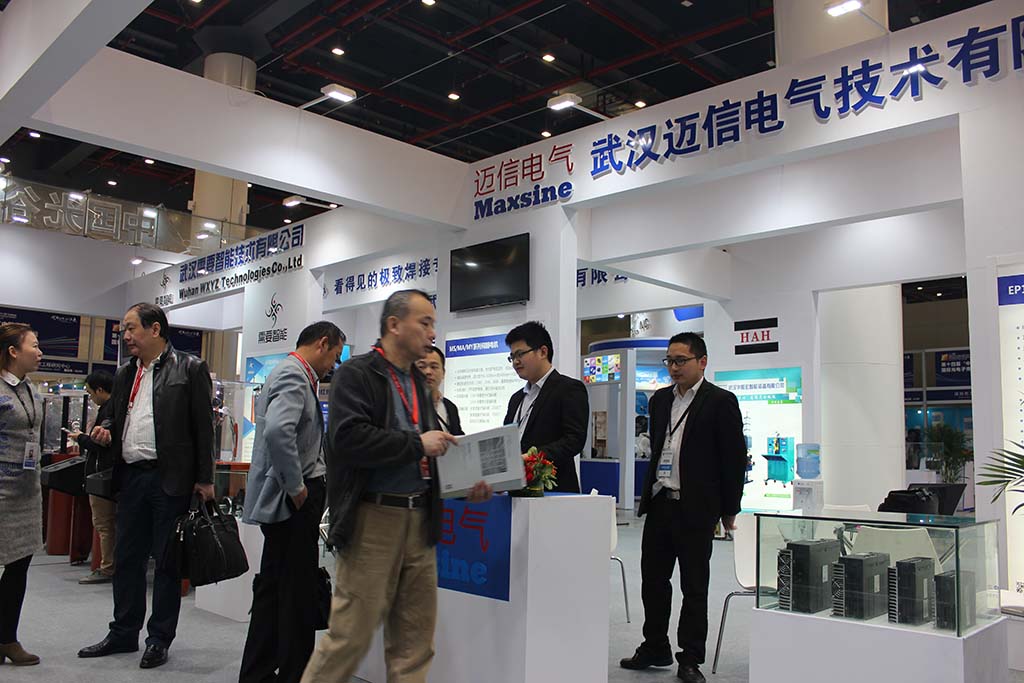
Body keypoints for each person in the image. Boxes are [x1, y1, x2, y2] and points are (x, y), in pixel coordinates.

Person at [301, 289, 492, 683]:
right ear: (394, 324)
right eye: (425, 323)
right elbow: (348, 439)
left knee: (415, 644)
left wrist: (463, 483)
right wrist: (417, 443)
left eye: (433, 324)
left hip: (420, 521)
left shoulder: (418, 381)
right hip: (373, 519)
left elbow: (430, 453)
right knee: (349, 638)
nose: (432, 333)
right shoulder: (358, 373)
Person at [78, 303, 215, 670]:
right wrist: (106, 428)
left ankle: (159, 639)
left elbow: (204, 428)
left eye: (131, 328)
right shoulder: (126, 372)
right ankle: (123, 632)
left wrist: (205, 479)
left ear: (155, 330)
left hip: (170, 480)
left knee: (167, 563)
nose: (125, 336)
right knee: (127, 559)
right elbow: (114, 415)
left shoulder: (190, 368)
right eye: (124, 329)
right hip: (131, 478)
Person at [620, 332, 746, 683]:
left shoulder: (720, 401)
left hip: (696, 508)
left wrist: (729, 508)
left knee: (694, 586)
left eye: (681, 361)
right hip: (661, 503)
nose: (674, 368)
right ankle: (654, 646)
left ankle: (690, 657)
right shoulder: (661, 400)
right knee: (653, 581)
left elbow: (733, 459)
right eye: (670, 361)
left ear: (702, 362)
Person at [239, 321, 346, 683]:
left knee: (274, 587)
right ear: (322, 343)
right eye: (334, 355)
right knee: (295, 593)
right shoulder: (294, 375)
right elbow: (277, 430)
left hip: (287, 502)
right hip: (293, 502)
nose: (333, 365)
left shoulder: (289, 372)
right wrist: (297, 485)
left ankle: (258, 672)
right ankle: (295, 674)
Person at [0, 323, 43, 666]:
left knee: (18, 567)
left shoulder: (31, 389)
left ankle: (7, 639)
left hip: (27, 492)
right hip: (0, 489)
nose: (39, 351)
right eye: (34, 345)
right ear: (13, 351)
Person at [502, 321, 588, 493]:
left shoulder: (569, 389)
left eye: (520, 354)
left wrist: (532, 457)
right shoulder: (516, 398)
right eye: (512, 357)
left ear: (543, 352)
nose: (515, 362)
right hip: (515, 491)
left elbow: (574, 440)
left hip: (555, 490)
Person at [70, 370, 117, 585]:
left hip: (103, 477)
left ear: (100, 390)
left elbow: (101, 444)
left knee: (104, 524)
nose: (90, 397)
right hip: (107, 476)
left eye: (90, 393)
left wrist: (81, 438)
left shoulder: (109, 411)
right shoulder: (115, 408)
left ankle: (108, 568)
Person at [416, 345, 463, 436]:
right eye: (421, 366)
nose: (428, 372)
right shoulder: (407, 407)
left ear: (443, 373)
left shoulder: (450, 407)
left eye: (434, 367)